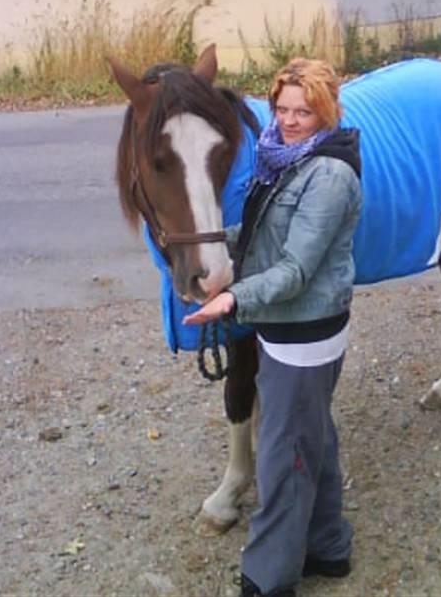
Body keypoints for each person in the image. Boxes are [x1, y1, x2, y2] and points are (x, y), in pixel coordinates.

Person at [183, 57, 362, 597]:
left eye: (303, 111)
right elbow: (265, 234)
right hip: (288, 326)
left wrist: (233, 298)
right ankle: (328, 547)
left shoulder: (328, 174)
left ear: (325, 111)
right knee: (314, 436)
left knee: (285, 452)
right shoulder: (284, 159)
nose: (288, 120)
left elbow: (296, 268)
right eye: (281, 108)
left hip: (306, 330)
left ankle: (269, 575)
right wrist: (211, 250)